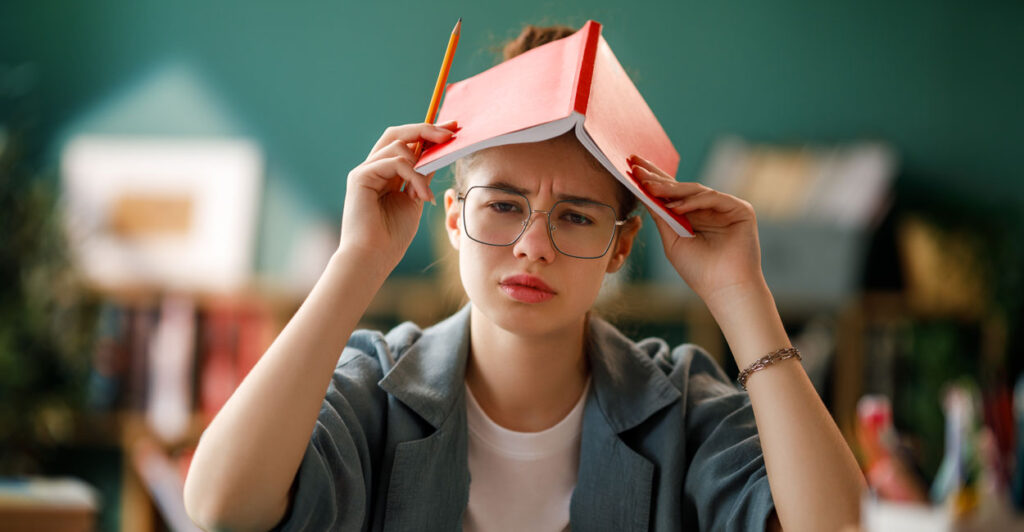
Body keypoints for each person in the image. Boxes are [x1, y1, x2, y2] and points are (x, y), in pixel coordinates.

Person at [184, 24, 866, 532]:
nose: (532, 245)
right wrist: (356, 261)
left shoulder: (681, 402)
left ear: (620, 246)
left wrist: (740, 294)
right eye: (503, 205)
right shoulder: (376, 387)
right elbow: (220, 506)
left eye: (575, 217)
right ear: (452, 217)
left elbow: (833, 527)